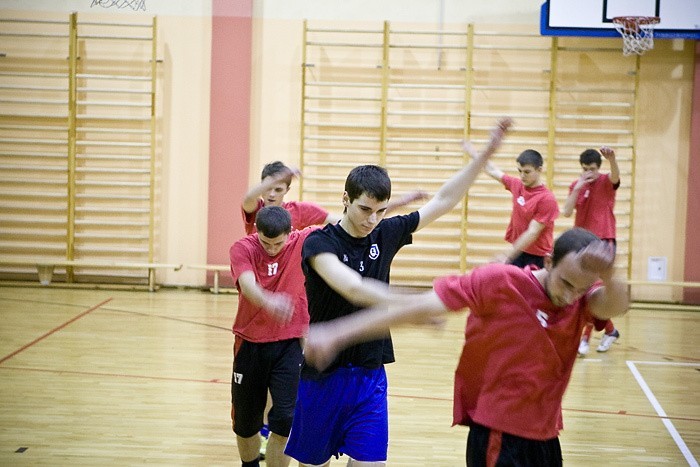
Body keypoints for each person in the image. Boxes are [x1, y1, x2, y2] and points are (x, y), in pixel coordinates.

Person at [284, 117, 513, 467]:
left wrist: (483, 157)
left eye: (379, 211)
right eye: (364, 209)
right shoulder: (319, 242)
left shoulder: (385, 233)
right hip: (323, 376)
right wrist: (419, 304)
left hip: (370, 375)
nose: (371, 219)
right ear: (345, 199)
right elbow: (354, 288)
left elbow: (444, 199)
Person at [303, 227, 630, 467]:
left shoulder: (582, 302)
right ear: (548, 261)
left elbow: (617, 304)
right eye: (566, 283)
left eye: (581, 289)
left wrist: (611, 273)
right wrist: (337, 332)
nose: (571, 296)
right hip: (499, 434)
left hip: (545, 435)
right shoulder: (500, 282)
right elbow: (421, 306)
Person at [229, 206, 318, 467]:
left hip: (290, 345)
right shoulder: (243, 248)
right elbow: (247, 286)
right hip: (250, 344)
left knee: (285, 421)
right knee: (245, 424)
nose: (271, 249)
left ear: (290, 234)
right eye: (266, 243)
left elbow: (349, 224)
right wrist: (270, 302)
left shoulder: (303, 241)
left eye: (277, 243)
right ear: (256, 231)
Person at [242, 161, 427, 235]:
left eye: (278, 188)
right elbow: (249, 196)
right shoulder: (254, 208)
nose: (272, 194)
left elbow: (347, 220)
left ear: (287, 189)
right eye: (267, 188)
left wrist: (403, 201)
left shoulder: (301, 211)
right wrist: (281, 175)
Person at [562, 146, 621, 355]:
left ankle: (585, 338)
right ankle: (610, 331)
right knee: (584, 291)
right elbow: (567, 212)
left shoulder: (605, 182)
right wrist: (578, 188)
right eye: (585, 168)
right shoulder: (576, 186)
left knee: (592, 291)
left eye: (593, 169)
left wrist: (612, 159)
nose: (589, 172)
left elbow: (615, 176)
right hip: (581, 243)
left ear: (599, 168)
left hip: (603, 242)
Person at [463, 144, 559, 269]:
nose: (522, 176)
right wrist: (475, 154)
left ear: (539, 170)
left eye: (527, 172)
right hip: (518, 252)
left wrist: (508, 255)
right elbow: (492, 170)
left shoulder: (546, 199)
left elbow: (532, 232)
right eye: (520, 171)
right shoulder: (517, 185)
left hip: (537, 257)